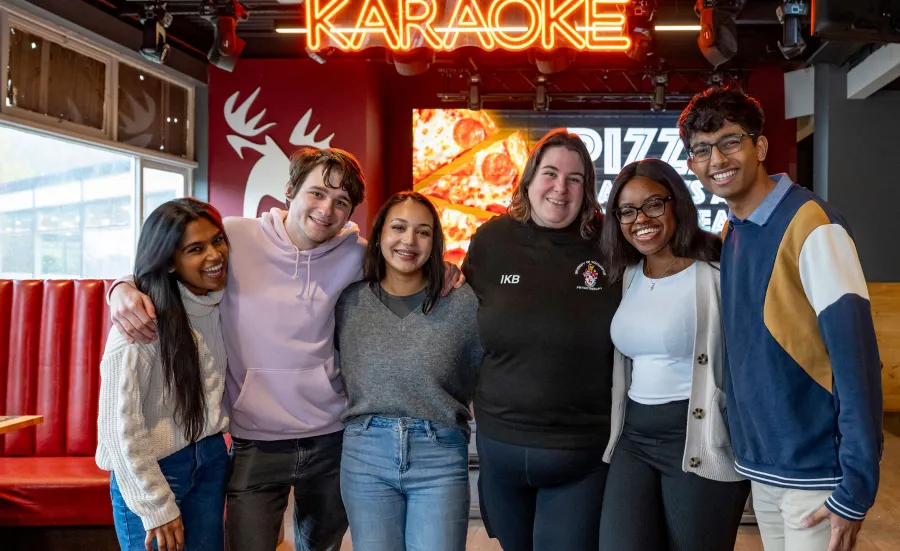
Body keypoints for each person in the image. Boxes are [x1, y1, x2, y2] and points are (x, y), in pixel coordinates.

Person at [108, 147, 463, 551]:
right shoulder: (235, 237)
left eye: (341, 202)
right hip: (254, 439)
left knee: (321, 544)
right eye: (317, 193)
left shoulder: (356, 255)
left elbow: (406, 264)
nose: (327, 209)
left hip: (330, 437)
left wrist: (447, 268)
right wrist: (121, 287)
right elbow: (173, 257)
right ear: (290, 190)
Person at [679, 86, 883, 551]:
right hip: (765, 467)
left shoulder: (813, 224)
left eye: (730, 141)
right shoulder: (735, 229)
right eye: (702, 150)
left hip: (816, 473)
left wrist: (855, 487)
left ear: (760, 147)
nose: (717, 159)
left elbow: (858, 365)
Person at [461, 129, 619, 551]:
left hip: (581, 455)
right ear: (528, 180)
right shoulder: (491, 239)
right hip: (499, 450)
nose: (560, 188)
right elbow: (460, 321)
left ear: (587, 190)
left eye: (575, 179)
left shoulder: (611, 243)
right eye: (549, 173)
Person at [597, 158, 750, 550]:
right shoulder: (628, 276)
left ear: (676, 202)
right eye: (626, 210)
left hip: (696, 436)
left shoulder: (716, 272)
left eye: (652, 204)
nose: (640, 218)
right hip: (633, 437)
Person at [335, 191, 482, 551]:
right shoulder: (349, 302)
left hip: (440, 454)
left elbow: (483, 373)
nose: (409, 241)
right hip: (364, 453)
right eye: (398, 227)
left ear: (435, 243)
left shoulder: (461, 303)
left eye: (423, 232)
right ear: (380, 233)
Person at [96, 198, 231, 551]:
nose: (215, 255)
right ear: (170, 263)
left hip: (211, 458)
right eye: (195, 249)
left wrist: (121, 283)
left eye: (217, 240)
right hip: (156, 468)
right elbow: (117, 428)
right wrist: (156, 505)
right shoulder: (140, 321)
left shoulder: (222, 301)